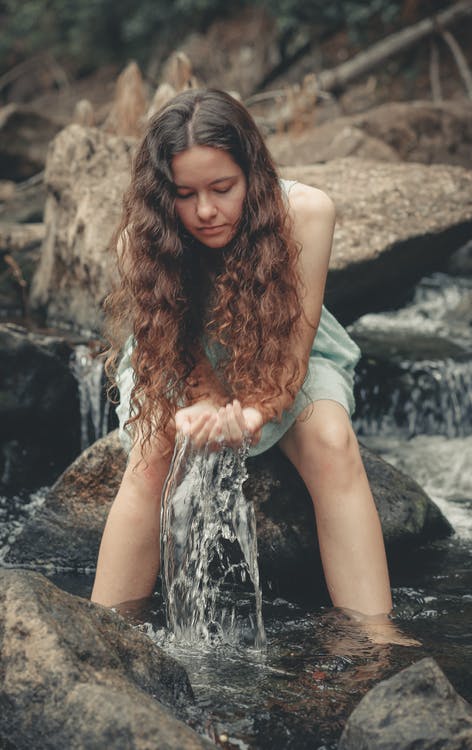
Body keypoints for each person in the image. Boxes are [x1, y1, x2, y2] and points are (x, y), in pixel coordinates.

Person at [91, 87, 396, 636]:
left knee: (332, 441)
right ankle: (103, 639)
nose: (205, 211)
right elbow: (173, 343)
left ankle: (376, 639)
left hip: (281, 351)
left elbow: (293, 356)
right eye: (185, 194)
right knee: (153, 453)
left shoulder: (306, 212)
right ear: (164, 195)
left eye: (223, 188)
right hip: (179, 356)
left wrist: (254, 414)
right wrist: (202, 406)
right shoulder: (144, 235)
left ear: (250, 173)